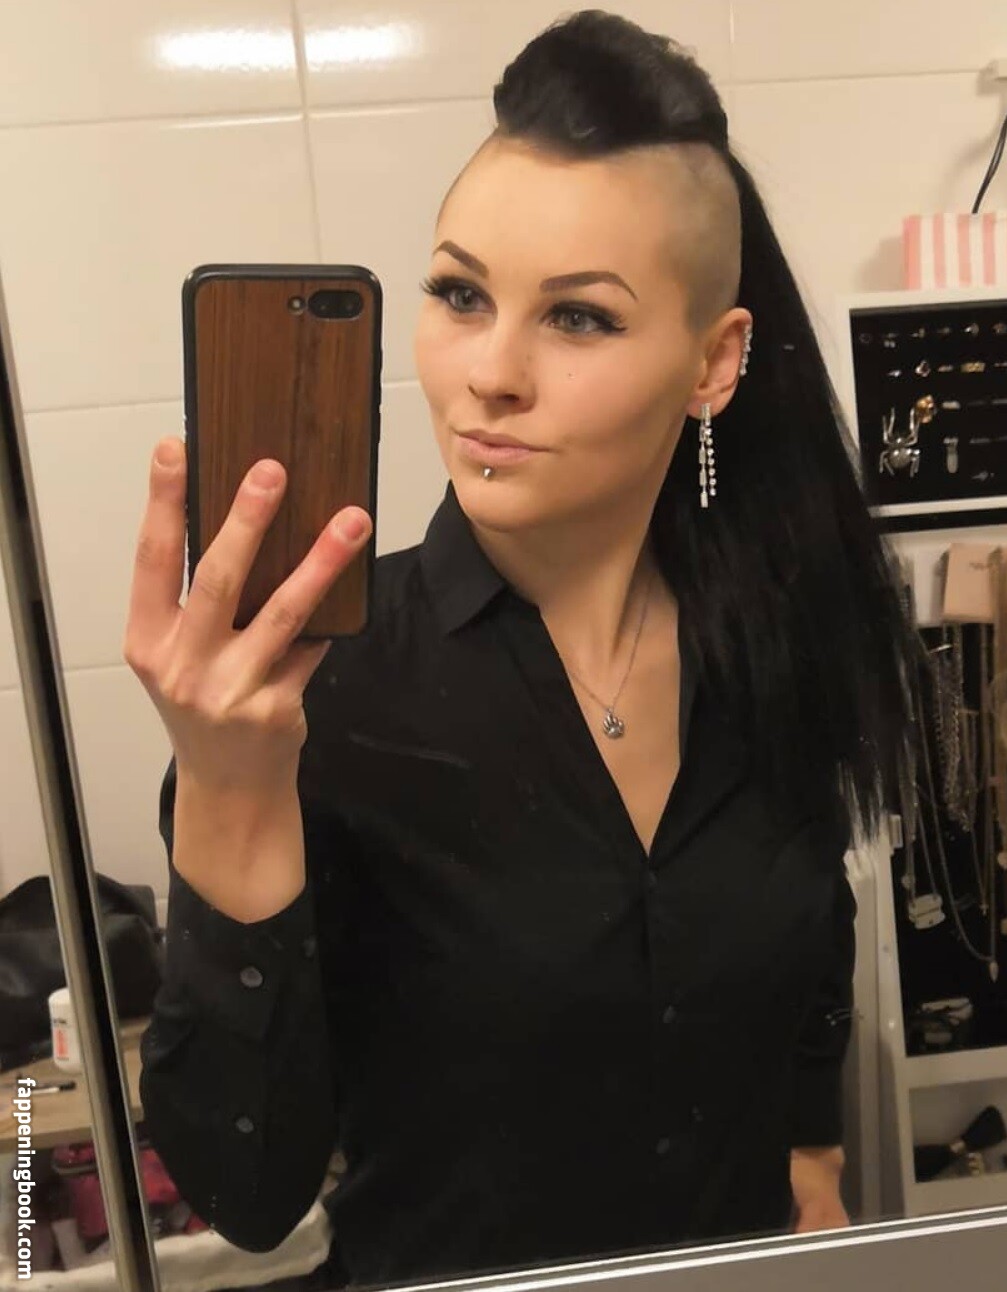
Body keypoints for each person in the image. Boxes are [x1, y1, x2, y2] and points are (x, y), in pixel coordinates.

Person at [126, 10, 917, 1288]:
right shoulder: (322, 695)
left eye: (580, 318)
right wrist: (228, 790)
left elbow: (812, 920)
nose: (488, 373)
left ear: (714, 362)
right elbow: (244, 1191)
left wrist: (811, 1147)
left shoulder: (773, 635)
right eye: (461, 294)